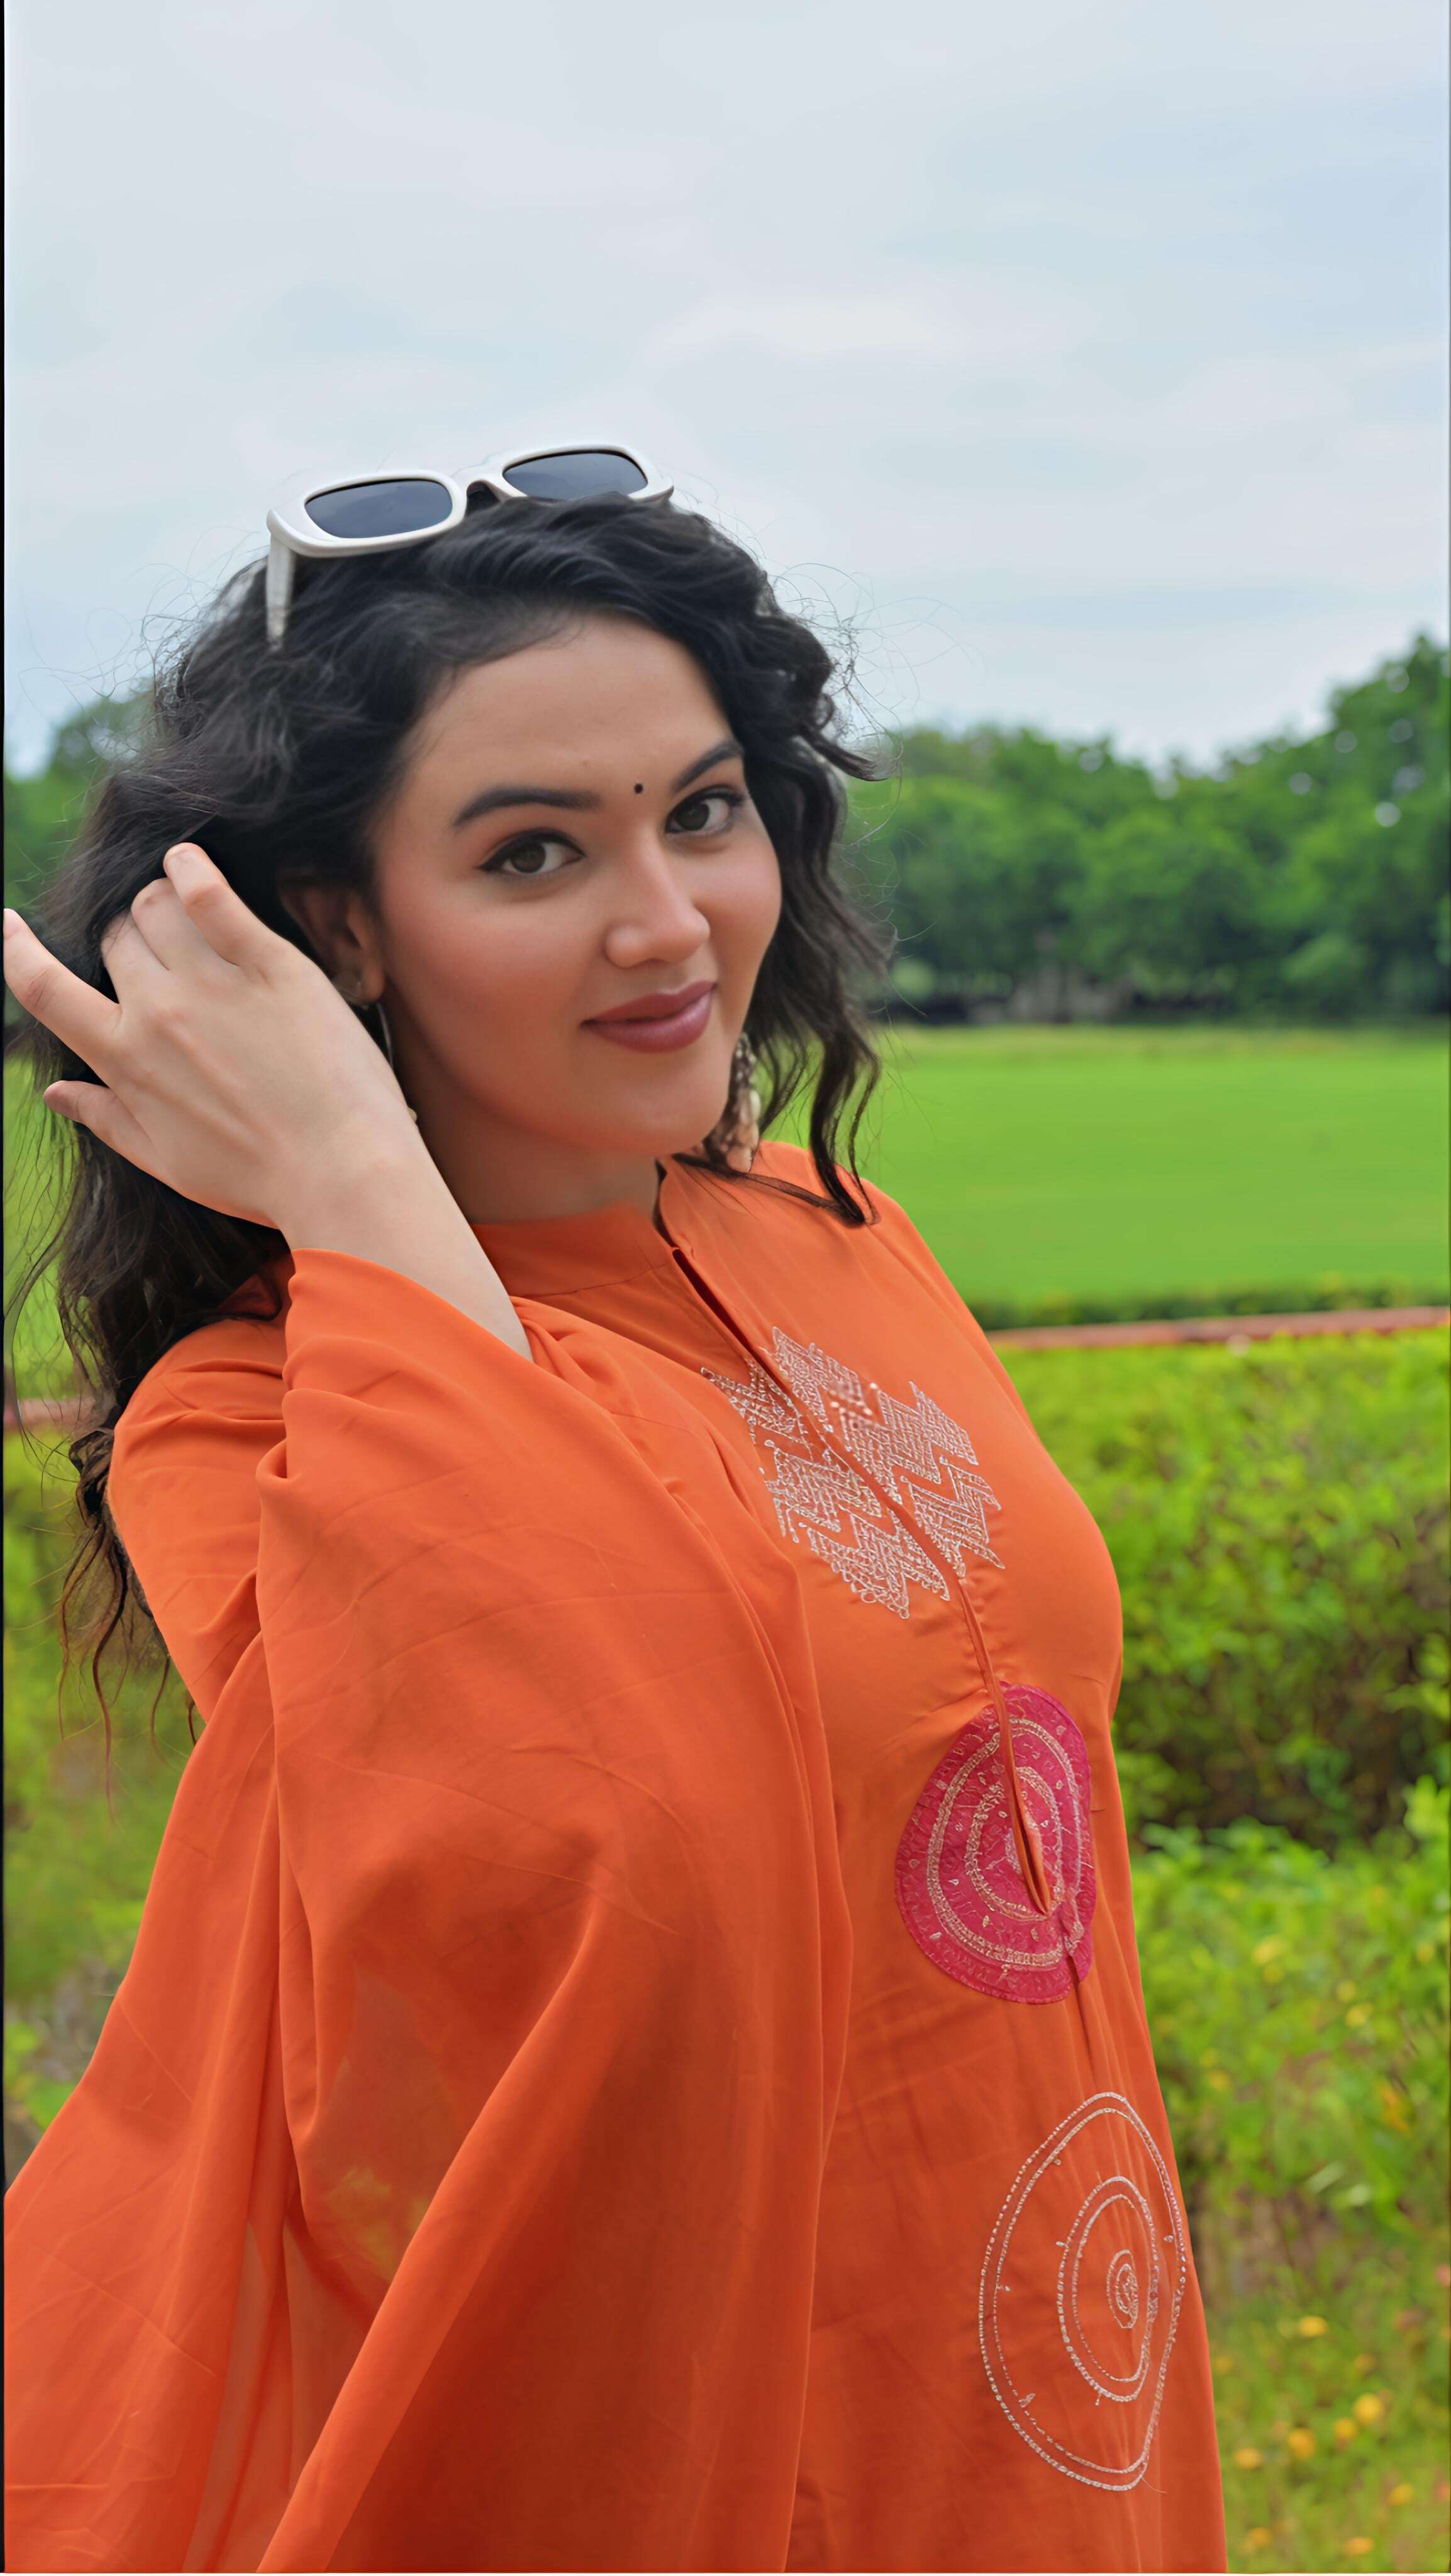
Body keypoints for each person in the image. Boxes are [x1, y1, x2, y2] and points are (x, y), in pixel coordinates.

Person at [3, 462, 1227, 2575]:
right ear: (335, 932)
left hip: (1059, 2361)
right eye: (533, 853)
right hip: (713, 2439)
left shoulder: (836, 1234)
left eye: (705, 809)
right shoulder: (265, 1424)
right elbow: (629, 1820)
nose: (667, 924)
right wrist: (360, 1198)